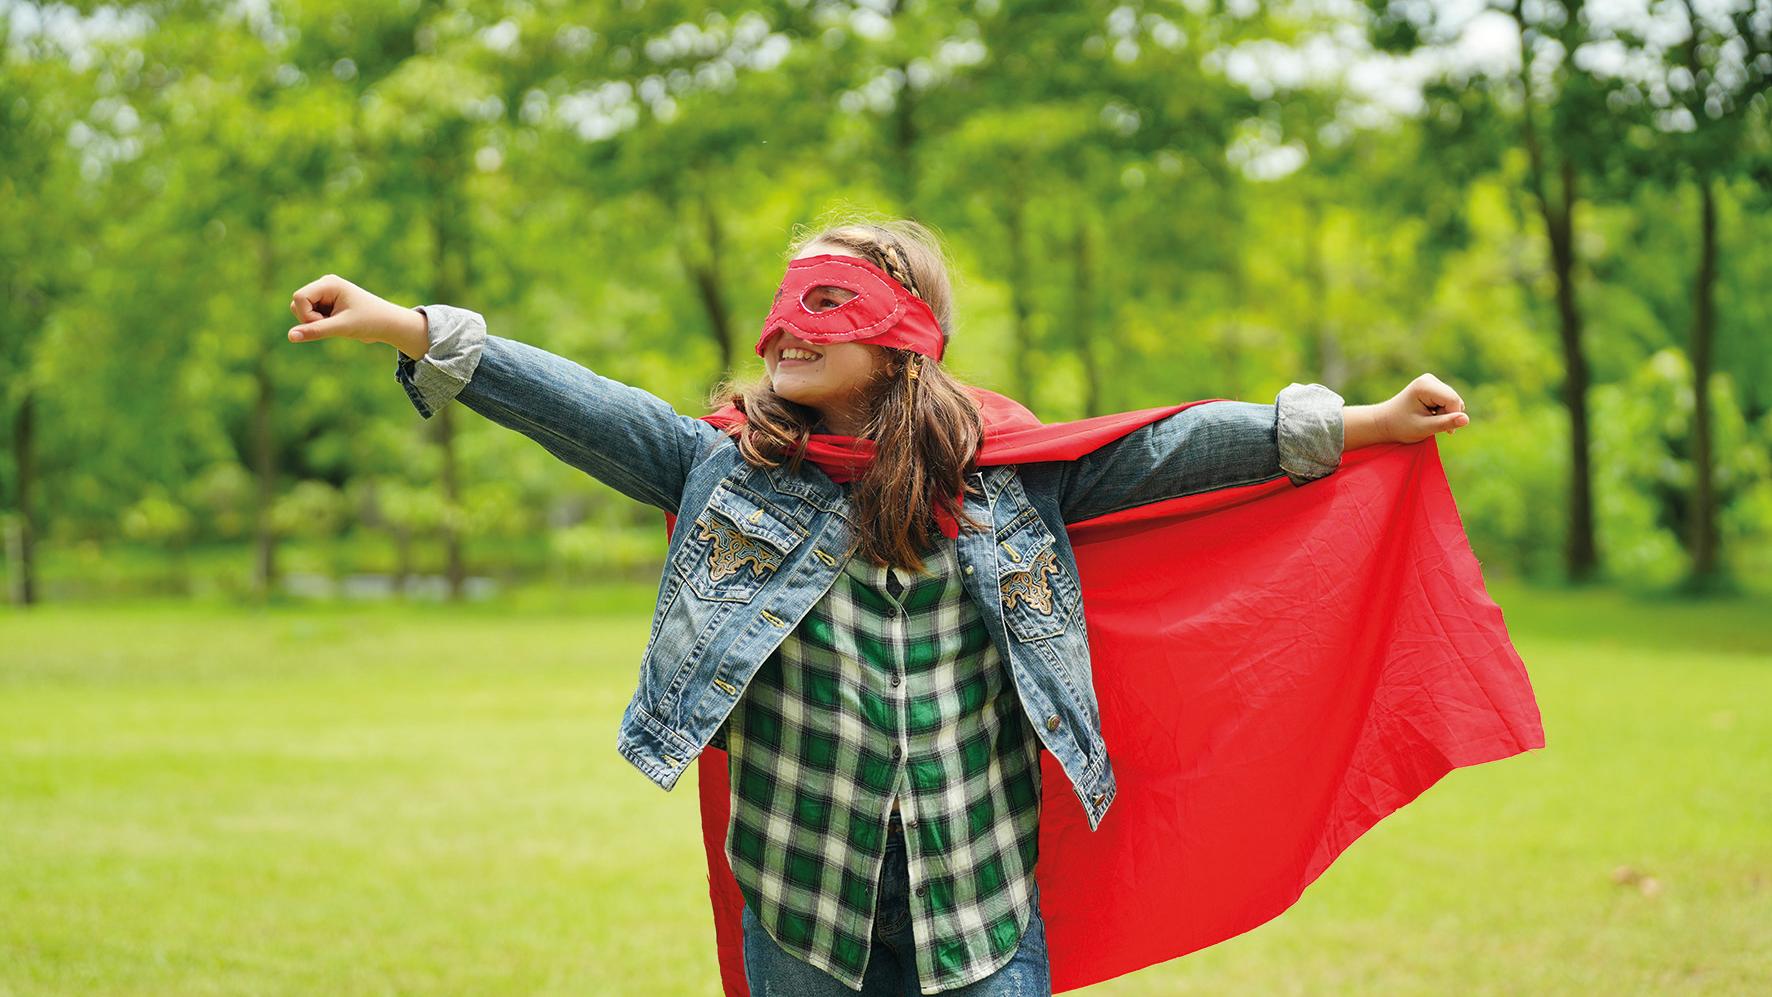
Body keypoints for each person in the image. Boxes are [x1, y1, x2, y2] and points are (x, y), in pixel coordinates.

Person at [287, 217, 1471, 996]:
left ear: (908, 336)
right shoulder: (725, 467)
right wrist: (409, 325)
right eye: (786, 299)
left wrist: (1364, 424)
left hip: (980, 908)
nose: (789, 324)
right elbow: (578, 401)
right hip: (802, 904)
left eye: (832, 299)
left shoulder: (1012, 473)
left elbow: (1176, 446)